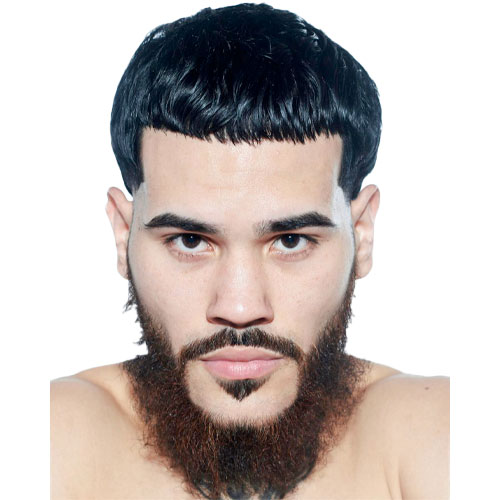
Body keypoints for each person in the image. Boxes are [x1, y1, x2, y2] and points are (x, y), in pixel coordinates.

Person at [50, 4, 449, 499]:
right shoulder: (51, 435)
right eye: (190, 241)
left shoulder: (434, 427)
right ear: (123, 236)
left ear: (362, 234)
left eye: (291, 241)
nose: (240, 308)